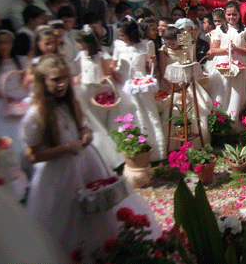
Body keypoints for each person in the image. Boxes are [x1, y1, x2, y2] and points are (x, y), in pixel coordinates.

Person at [20, 54, 160, 257]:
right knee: (67, 215)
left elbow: (82, 127)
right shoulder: (36, 114)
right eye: (55, 80)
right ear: (43, 82)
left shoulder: (70, 103)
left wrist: (85, 134)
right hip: (57, 173)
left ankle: (103, 248)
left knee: (96, 208)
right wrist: (66, 148)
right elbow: (33, 155)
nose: (61, 85)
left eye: (64, 79)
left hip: (85, 164)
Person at [111, 18, 166, 161]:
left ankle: (152, 152)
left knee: (146, 116)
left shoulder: (146, 45)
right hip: (123, 86)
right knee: (127, 116)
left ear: (132, 33)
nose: (121, 38)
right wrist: (112, 71)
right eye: (119, 35)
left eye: (123, 35)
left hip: (140, 85)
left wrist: (152, 63)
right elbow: (113, 63)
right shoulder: (118, 45)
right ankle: (128, 154)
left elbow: (150, 70)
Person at [73, 26, 122, 169]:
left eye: (81, 43)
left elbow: (108, 74)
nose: (78, 46)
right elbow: (84, 71)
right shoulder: (81, 55)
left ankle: (108, 155)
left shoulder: (100, 57)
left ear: (88, 43)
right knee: (91, 123)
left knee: (100, 121)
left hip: (97, 91)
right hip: (85, 90)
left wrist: (104, 78)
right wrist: (78, 78)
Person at [204, 1, 246, 131]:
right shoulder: (219, 30)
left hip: (242, 65)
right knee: (222, 91)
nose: (231, 17)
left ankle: (238, 120)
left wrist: (237, 49)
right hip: (223, 65)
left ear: (239, 14)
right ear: (225, 15)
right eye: (228, 15)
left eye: (234, 14)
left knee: (238, 93)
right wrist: (227, 49)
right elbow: (213, 49)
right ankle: (220, 120)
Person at [158, 26, 212, 146]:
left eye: (173, 40)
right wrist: (175, 87)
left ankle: (196, 141)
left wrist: (186, 84)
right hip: (170, 86)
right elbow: (163, 73)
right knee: (173, 109)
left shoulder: (185, 50)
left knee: (197, 108)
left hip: (187, 84)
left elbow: (191, 65)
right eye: (167, 40)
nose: (170, 43)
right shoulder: (164, 51)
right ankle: (172, 144)